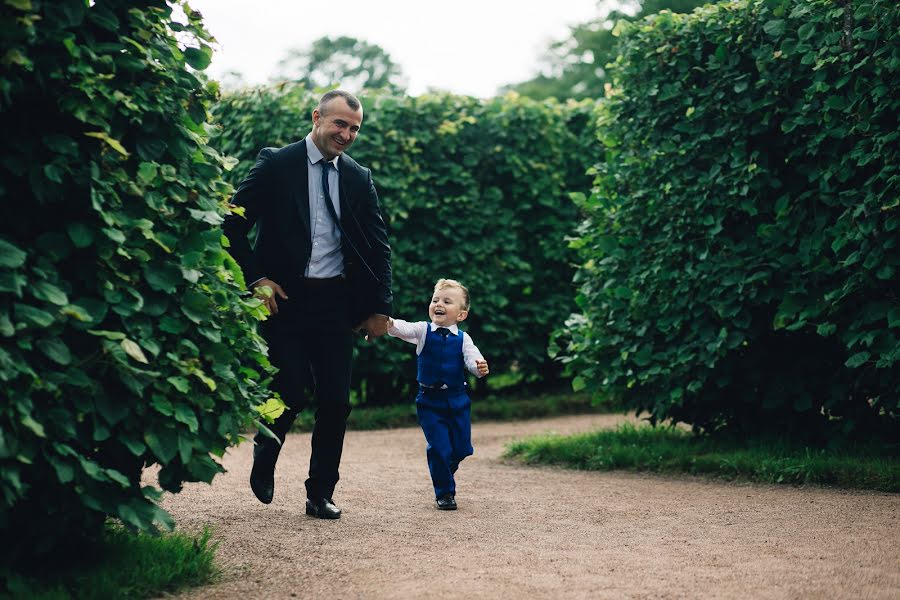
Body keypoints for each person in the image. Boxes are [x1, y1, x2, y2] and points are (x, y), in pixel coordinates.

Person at [223, 90, 393, 519]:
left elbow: (377, 246)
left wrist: (379, 306)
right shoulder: (276, 164)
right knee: (289, 392)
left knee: (336, 401)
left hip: (336, 301)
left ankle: (320, 494)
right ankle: (266, 448)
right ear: (317, 117)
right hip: (285, 300)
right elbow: (231, 224)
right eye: (340, 124)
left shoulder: (358, 177)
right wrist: (256, 280)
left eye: (354, 128)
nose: (347, 134)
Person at [387, 279, 489, 510]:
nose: (438, 304)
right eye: (435, 300)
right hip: (430, 401)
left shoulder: (463, 339)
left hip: (458, 399)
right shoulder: (423, 331)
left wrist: (479, 368)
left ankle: (442, 469)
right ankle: (445, 493)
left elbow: (472, 359)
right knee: (440, 447)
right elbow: (404, 328)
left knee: (462, 449)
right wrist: (389, 322)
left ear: (461, 315)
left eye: (446, 301)